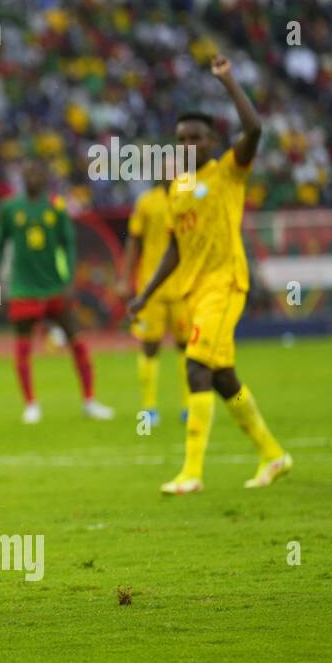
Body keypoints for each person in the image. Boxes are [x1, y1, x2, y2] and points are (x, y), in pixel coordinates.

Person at [127, 56, 292, 494]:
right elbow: (174, 252)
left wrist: (229, 81)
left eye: (196, 138)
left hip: (227, 283)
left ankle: (192, 472)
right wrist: (144, 295)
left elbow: (255, 129)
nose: (188, 144)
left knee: (195, 367)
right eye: (181, 139)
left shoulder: (227, 173)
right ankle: (273, 454)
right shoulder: (176, 190)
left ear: (212, 141)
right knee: (222, 378)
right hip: (194, 292)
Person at [0, 161, 114, 424]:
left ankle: (90, 401)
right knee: (23, 347)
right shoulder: (10, 208)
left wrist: (68, 278)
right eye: (28, 172)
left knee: (77, 342)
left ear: (44, 178)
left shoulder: (57, 206)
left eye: (37, 172)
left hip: (54, 287)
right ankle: (31, 404)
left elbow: (68, 243)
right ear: (22, 177)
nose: (33, 176)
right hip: (23, 288)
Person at [120, 178, 189, 428]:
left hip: (184, 286)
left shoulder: (190, 197)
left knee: (187, 346)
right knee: (150, 345)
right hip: (151, 287)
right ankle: (149, 408)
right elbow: (133, 241)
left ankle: (188, 406)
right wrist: (124, 278)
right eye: (164, 166)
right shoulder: (146, 202)